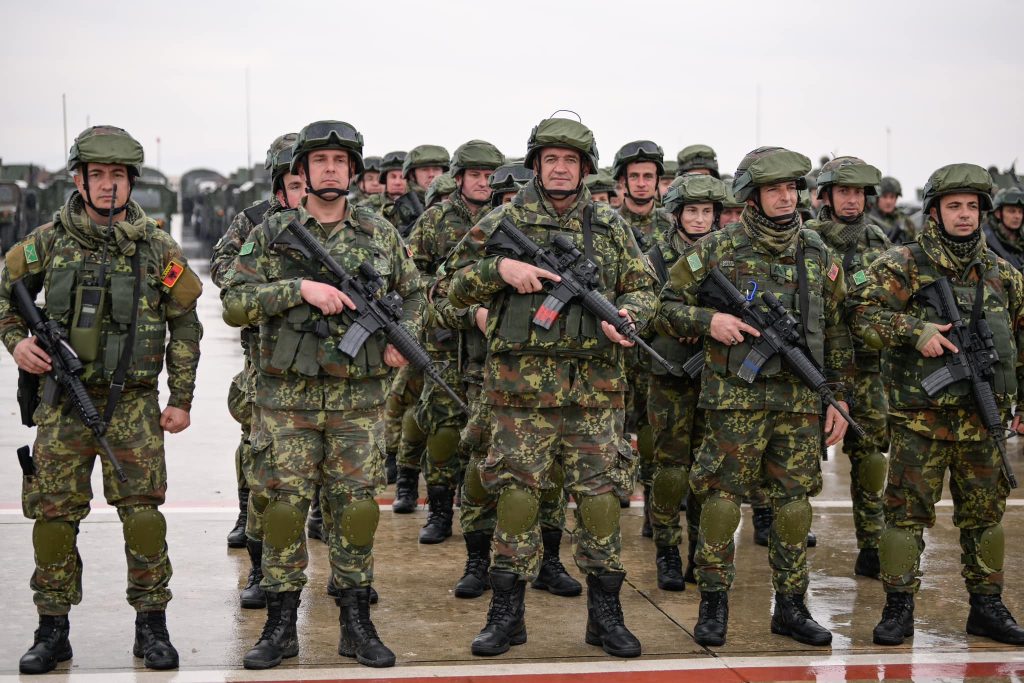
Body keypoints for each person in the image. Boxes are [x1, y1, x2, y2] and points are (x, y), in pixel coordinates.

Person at [444, 115, 656, 659]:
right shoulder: (501, 221)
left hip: (596, 393)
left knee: (602, 499)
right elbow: (446, 287)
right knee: (515, 496)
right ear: (536, 164)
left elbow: (645, 287)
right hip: (519, 395)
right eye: (550, 160)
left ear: (585, 168)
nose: (560, 170)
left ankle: (605, 617)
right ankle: (506, 615)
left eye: (571, 161)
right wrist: (500, 271)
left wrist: (630, 313)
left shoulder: (609, 226)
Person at [223, 120, 423, 669]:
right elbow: (234, 302)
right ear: (302, 172)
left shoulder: (379, 233)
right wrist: (298, 289)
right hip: (285, 402)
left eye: (341, 161)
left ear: (353, 171)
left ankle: (356, 624)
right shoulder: (271, 233)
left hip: (358, 402)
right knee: (284, 510)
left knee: (356, 510)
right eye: (321, 161)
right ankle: (280, 627)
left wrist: (401, 342)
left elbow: (415, 295)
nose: (331, 169)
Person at [2, 125, 202, 673]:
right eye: (99, 175)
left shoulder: (157, 247)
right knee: (53, 517)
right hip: (62, 404)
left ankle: (152, 627)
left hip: (134, 407)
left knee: (143, 518)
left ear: (132, 181)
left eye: (119, 176)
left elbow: (185, 324)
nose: (109, 186)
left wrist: (180, 398)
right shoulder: (47, 242)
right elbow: (4, 292)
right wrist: (16, 341)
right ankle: (52, 630)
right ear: (79, 179)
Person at [659, 146, 853, 648]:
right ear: (752, 195)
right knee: (721, 502)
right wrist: (710, 321)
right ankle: (713, 603)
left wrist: (838, 397)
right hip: (734, 401)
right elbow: (664, 305)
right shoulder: (718, 248)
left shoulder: (818, 252)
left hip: (797, 403)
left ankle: (790, 607)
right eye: (774, 189)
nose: (786, 197)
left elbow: (836, 332)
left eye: (791, 188)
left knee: (793, 507)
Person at [851, 163, 1024, 647]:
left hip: (982, 423)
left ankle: (987, 607)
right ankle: (898, 608)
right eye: (955, 206)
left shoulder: (1002, 275)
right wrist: (914, 331)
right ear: (934, 212)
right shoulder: (902, 264)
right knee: (905, 520)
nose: (965, 215)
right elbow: (860, 313)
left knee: (986, 519)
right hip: (919, 423)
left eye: (972, 207)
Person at [211, 133, 305, 608]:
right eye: (293, 180)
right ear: (277, 183)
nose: (303, 188)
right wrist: (276, 290)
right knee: (258, 448)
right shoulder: (253, 222)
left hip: (325, 362)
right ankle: (250, 531)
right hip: (266, 356)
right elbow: (224, 271)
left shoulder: (346, 224)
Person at [406, 139, 505, 544]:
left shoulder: (510, 219)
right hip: (447, 342)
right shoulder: (434, 221)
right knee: (445, 428)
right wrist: (461, 310)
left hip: (496, 345)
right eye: (476, 175)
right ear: (459, 178)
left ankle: (487, 514)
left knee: (490, 432)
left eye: (489, 176)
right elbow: (414, 280)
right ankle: (441, 511)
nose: (483, 183)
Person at [807, 156, 890, 577]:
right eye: (844, 192)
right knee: (799, 458)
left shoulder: (879, 240)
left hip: (869, 368)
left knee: (871, 457)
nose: (852, 200)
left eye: (858, 192)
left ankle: (872, 543)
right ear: (827, 196)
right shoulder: (809, 240)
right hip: (816, 368)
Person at [646, 173, 727, 589]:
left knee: (708, 471)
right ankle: (666, 549)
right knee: (671, 470)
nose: (699, 219)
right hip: (671, 374)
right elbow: (643, 311)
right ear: (676, 214)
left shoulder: (727, 256)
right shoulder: (656, 258)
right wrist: (683, 323)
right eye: (691, 211)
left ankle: (701, 551)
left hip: (717, 377)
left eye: (706, 211)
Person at [982, 186, 1024, 269]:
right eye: (1012, 211)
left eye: (1021, 212)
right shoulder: (984, 241)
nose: (1017, 216)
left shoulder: (1020, 240)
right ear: (998, 213)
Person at [867, 176, 917, 245]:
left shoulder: (905, 221)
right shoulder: (867, 220)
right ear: (877, 198)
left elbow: (915, 245)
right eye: (884, 196)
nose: (888, 201)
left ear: (896, 198)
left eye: (892, 197)